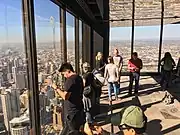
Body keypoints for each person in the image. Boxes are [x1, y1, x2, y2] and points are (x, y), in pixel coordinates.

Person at [50, 63, 84, 135]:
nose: (64, 76)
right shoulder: (79, 78)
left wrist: (56, 88)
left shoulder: (70, 80)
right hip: (79, 109)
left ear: (68, 71)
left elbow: (65, 96)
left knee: (73, 132)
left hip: (72, 112)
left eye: (64, 74)